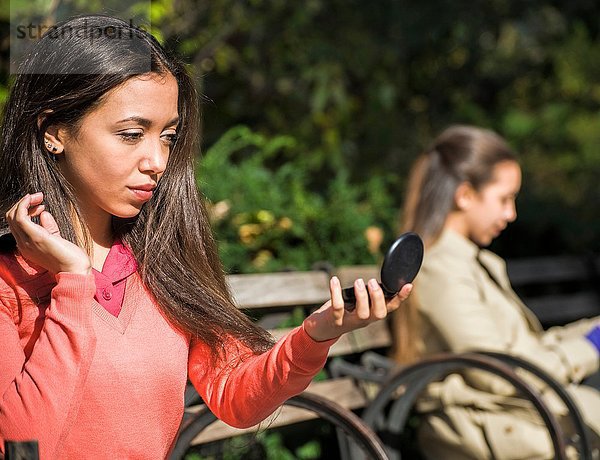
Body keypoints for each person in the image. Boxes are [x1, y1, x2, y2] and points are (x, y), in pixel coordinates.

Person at [0, 15, 412, 459]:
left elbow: (234, 394)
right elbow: (21, 442)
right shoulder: (9, 279)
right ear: (54, 132)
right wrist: (73, 281)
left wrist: (317, 333)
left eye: (168, 136)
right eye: (132, 134)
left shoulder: (159, 259)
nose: (158, 160)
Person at [392, 125, 600, 459]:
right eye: (504, 198)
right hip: (488, 429)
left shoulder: (471, 262)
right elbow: (501, 374)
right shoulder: (438, 269)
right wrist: (590, 348)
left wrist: (593, 333)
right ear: (465, 195)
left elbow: (524, 349)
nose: (511, 213)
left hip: (515, 418)